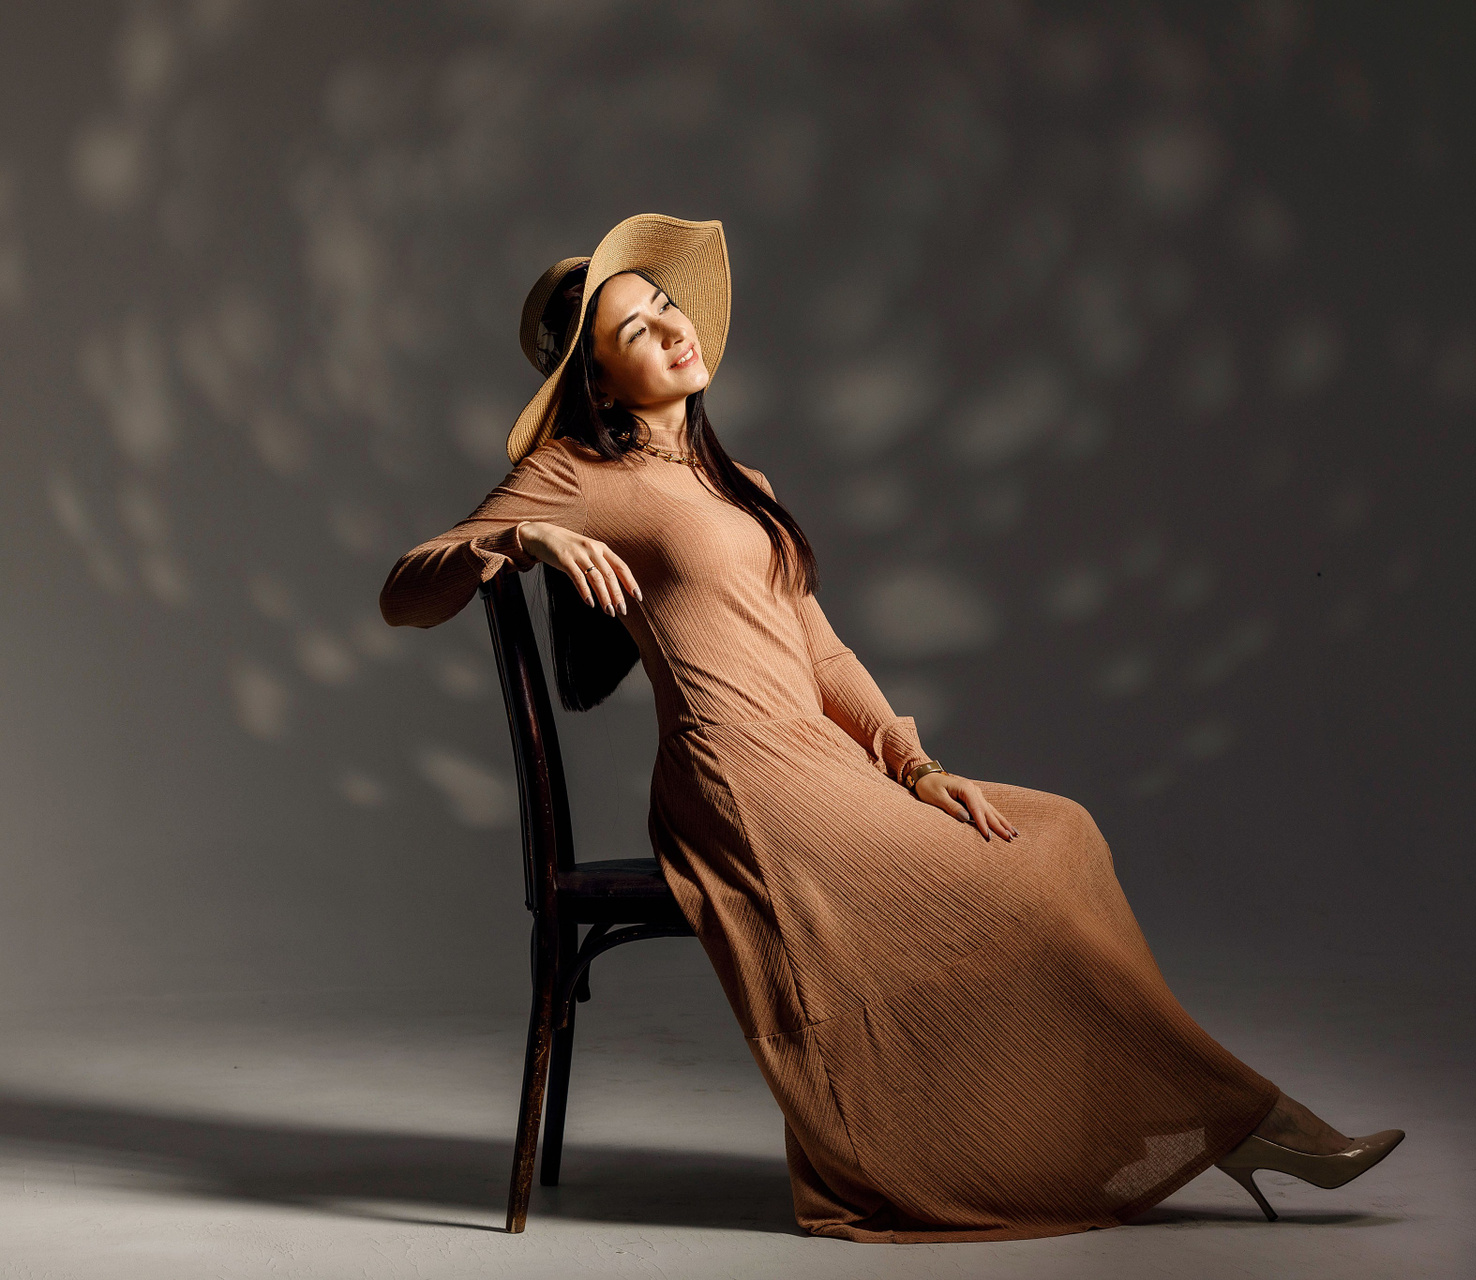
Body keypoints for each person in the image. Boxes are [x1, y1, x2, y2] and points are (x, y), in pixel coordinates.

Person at [380, 214, 1402, 1242]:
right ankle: (1240, 1120)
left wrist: (917, 767)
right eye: (638, 330)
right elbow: (405, 590)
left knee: (1063, 835)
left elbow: (824, 655)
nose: (675, 329)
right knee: (1024, 884)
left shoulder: (742, 486)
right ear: (599, 384)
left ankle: (1181, 1121)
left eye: (666, 305)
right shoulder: (577, 473)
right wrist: (527, 534)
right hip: (738, 783)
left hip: (820, 759)